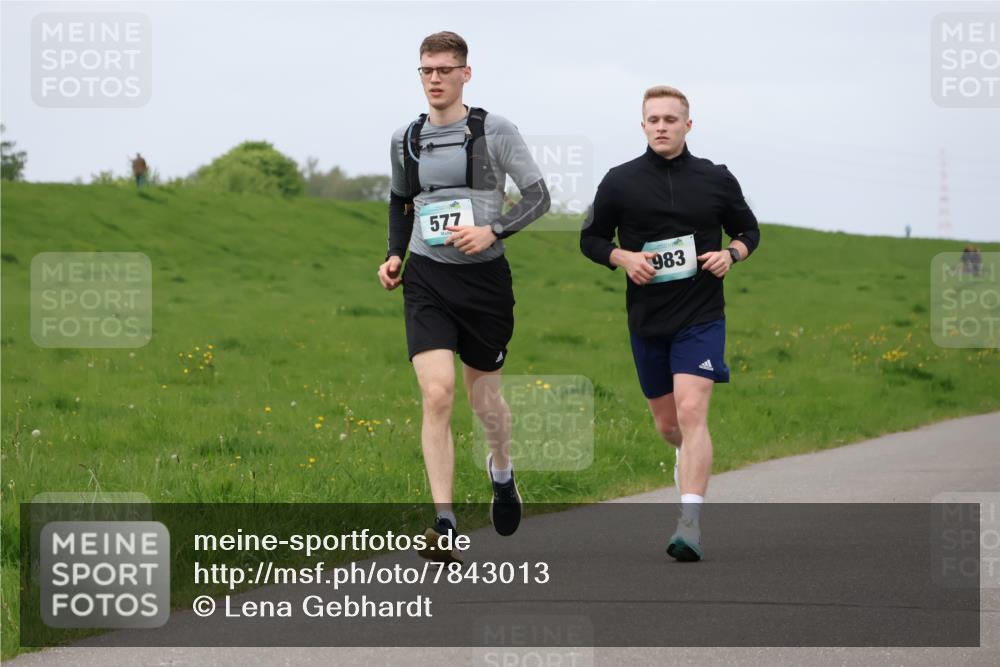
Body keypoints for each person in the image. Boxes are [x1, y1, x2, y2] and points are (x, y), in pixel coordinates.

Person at [377, 31, 550, 562]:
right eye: (426, 70)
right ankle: (445, 522)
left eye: (444, 70)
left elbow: (538, 197)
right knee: (437, 394)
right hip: (427, 279)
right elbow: (401, 200)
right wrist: (394, 255)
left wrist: (492, 230)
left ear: (465, 74)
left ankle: (502, 471)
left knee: (483, 400)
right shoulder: (407, 138)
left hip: (484, 284)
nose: (434, 79)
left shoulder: (493, 131)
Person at [580, 86, 760, 562]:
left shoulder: (715, 178)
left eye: (671, 119)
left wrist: (731, 254)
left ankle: (690, 523)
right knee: (669, 426)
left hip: (701, 315)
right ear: (643, 126)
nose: (662, 126)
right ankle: (684, 455)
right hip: (648, 320)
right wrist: (622, 258)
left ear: (688, 125)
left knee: (693, 409)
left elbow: (749, 230)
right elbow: (591, 239)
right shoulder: (620, 181)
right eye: (654, 119)